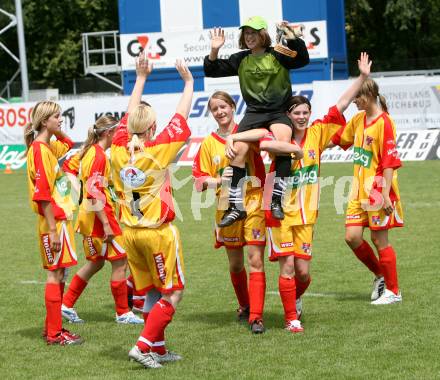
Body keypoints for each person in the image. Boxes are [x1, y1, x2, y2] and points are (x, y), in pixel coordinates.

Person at [226, 53, 373, 332]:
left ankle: (293, 301)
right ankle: (291, 319)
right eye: (297, 114)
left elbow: (341, 105)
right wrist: (236, 136)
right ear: (287, 116)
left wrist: (362, 77)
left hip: (306, 217)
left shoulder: (317, 133)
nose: (302, 117)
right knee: (288, 268)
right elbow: (261, 141)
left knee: (304, 273)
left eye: (305, 112)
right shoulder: (275, 134)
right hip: (278, 212)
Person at [111, 55, 193, 368]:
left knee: (151, 293)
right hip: (156, 234)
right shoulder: (158, 150)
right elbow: (181, 115)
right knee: (172, 294)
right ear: (152, 127)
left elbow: (128, 114)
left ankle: (157, 349)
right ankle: (144, 345)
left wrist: (140, 77)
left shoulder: (118, 148)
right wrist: (188, 84)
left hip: (129, 234)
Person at [204, 16, 309, 226]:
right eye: (246, 34)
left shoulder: (278, 52)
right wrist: (214, 49)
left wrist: (294, 39)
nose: (249, 37)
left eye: (253, 33)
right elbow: (211, 70)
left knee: (282, 142)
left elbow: (302, 59)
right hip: (254, 113)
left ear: (263, 35)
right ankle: (235, 207)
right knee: (239, 149)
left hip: (279, 111)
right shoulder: (241, 58)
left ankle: (276, 200)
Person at [193, 91, 283, 334]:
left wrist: (238, 138)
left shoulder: (247, 132)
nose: (220, 112)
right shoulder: (208, 144)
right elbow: (198, 182)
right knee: (235, 265)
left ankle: (256, 317)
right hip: (225, 205)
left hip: (253, 199)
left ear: (233, 107)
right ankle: (244, 305)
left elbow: (266, 135)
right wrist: (217, 180)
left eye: (224, 106)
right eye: (215, 109)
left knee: (255, 260)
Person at [60, 115, 143, 325]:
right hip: (100, 218)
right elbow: (93, 193)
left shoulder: (89, 152)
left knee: (95, 263)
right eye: (116, 133)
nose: (118, 137)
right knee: (121, 262)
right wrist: (106, 223)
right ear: (108, 133)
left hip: (88, 218)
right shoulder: (98, 156)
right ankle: (123, 312)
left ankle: (66, 305)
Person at [331, 77, 404, 305]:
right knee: (351, 237)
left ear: (370, 96)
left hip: (378, 189)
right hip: (358, 191)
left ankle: (393, 292)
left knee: (379, 240)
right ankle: (380, 275)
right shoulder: (358, 119)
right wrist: (310, 143)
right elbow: (337, 139)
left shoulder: (385, 122)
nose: (354, 102)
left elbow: (390, 160)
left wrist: (383, 194)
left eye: (357, 98)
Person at [24, 101, 82, 345]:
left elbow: (68, 145)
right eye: (57, 117)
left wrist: (55, 130)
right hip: (53, 223)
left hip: (58, 220)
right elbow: (42, 194)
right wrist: (52, 230)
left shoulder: (46, 147)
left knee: (59, 274)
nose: (61, 119)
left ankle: (53, 328)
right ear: (44, 120)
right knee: (55, 274)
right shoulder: (39, 150)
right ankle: (55, 333)